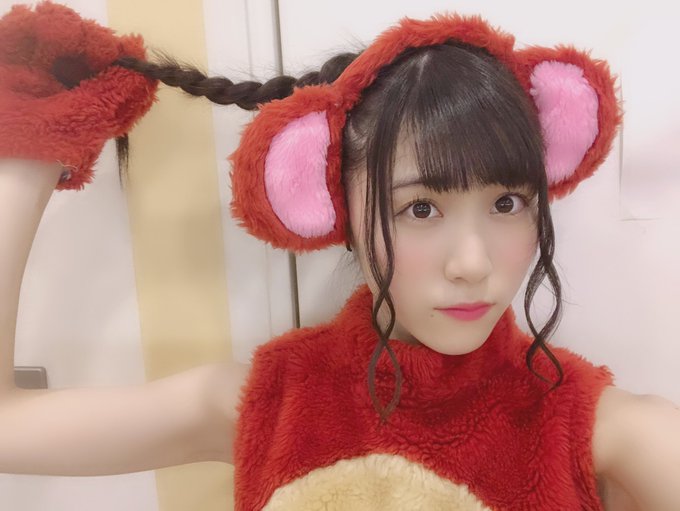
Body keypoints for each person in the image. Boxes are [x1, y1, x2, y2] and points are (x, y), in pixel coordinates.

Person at [0, 1, 679, 510]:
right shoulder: (272, 404)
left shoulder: (605, 433)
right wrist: (36, 144)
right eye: (421, 209)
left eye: (507, 202)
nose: (473, 262)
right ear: (334, 207)